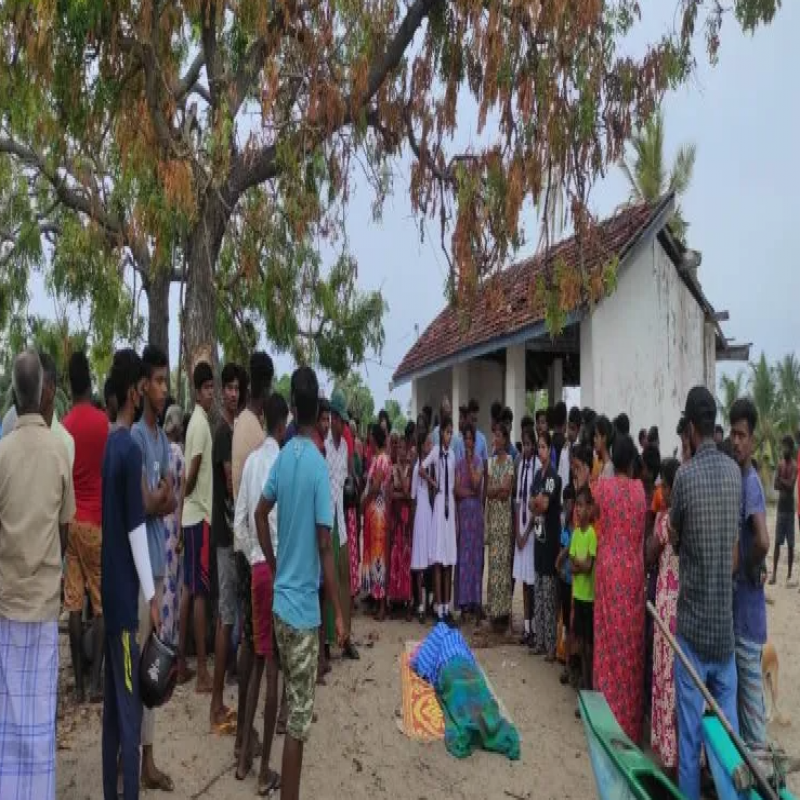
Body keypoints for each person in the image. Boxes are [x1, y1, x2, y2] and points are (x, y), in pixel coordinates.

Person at [254, 366, 344, 800]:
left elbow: (259, 513)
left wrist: (273, 562)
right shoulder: (316, 464)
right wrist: (340, 614)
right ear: (318, 410)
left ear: (293, 406)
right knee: (298, 723)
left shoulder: (284, 454)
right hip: (305, 614)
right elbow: (326, 544)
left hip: (279, 606)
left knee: (286, 702)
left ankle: (266, 775)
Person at [0, 350, 75, 800]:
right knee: (40, 720)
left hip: (7, 602)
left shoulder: (2, 452)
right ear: (45, 392)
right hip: (44, 605)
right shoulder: (58, 451)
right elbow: (64, 531)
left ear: (14, 392)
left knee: (7, 719)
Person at [669, 386, 741, 800]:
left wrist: (686, 548)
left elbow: (676, 538)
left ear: (692, 429)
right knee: (729, 741)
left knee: (690, 735)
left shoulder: (685, 477)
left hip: (693, 632)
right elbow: (732, 558)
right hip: (725, 634)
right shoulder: (734, 473)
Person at [100, 349, 159, 800]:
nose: (141, 395)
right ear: (127, 393)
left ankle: (110, 789)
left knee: (111, 711)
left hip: (111, 589)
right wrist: (153, 596)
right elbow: (138, 528)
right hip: (125, 597)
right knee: (128, 706)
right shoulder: (129, 448)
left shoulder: (110, 445)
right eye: (138, 389)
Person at [234, 392, 288, 793]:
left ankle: (241, 757)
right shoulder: (282, 462)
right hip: (276, 568)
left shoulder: (252, 462)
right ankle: (266, 766)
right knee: (274, 667)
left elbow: (240, 522)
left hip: (254, 567)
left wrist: (252, 553)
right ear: (283, 424)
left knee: (255, 657)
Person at [130, 344, 176, 792]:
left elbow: (170, 498)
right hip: (141, 567)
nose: (164, 388)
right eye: (158, 380)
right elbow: (148, 500)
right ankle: (134, 758)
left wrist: (160, 497)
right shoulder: (138, 440)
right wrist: (159, 497)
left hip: (159, 563)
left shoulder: (161, 439)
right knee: (140, 663)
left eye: (166, 380)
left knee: (153, 665)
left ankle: (148, 760)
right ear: (143, 385)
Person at [231, 352, 275, 758]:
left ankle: (246, 736)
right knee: (258, 652)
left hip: (250, 551)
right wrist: (256, 554)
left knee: (254, 646)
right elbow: (252, 504)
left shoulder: (246, 425)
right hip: (256, 556)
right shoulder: (254, 434)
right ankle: (246, 739)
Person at [592, 434, 646, 743]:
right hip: (632, 571)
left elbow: (596, 512)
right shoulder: (640, 491)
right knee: (630, 646)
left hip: (609, 568)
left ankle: (607, 718)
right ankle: (629, 723)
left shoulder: (605, 488)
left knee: (608, 642)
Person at [62, 350, 109, 703]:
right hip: (95, 521)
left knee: (74, 604)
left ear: (68, 383)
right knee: (102, 603)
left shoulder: (64, 427)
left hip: (71, 523)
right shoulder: (102, 424)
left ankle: (77, 685)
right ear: (89, 381)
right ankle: (96, 683)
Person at [730, 397, 770, 749]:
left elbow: (762, 540)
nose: (737, 441)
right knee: (743, 717)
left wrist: (745, 568)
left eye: (742, 435)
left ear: (753, 439)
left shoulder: (751, 484)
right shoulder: (740, 479)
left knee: (754, 728)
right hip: (741, 617)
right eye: (733, 434)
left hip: (748, 621)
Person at [178, 361, 215, 691]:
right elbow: (192, 472)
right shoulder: (200, 425)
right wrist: (183, 497)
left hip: (192, 516)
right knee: (200, 592)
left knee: (189, 590)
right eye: (207, 389)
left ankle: (180, 662)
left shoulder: (195, 423)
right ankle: (201, 669)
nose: (212, 394)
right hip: (199, 515)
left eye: (212, 388)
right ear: (197, 391)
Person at [208, 363, 240, 733]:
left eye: (236, 388)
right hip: (227, 537)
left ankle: (221, 699)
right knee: (225, 615)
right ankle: (215, 703)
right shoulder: (222, 434)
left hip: (235, 538)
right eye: (227, 388)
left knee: (229, 615)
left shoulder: (236, 430)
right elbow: (231, 485)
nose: (232, 393)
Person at [647, 458, 680, 776]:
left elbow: (650, 554)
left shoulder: (666, 519)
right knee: (679, 679)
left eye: (664, 486)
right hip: (683, 606)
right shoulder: (688, 516)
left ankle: (669, 755)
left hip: (666, 605)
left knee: (665, 678)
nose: (661, 491)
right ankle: (684, 753)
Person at [325, 390, 360, 657]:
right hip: (326, 521)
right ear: (333, 419)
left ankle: (346, 637)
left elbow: (348, 479)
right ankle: (327, 641)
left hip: (342, 521)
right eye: (340, 420)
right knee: (329, 582)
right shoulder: (322, 446)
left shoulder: (345, 446)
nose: (343, 426)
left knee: (345, 580)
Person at [420, 416, 458, 624]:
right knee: (438, 559)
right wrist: (433, 482)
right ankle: (438, 609)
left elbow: (454, 480)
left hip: (449, 504)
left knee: (449, 558)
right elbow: (421, 468)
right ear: (440, 433)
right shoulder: (435, 451)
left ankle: (446, 606)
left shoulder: (452, 454)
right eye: (446, 432)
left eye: (451, 433)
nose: (449, 436)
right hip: (439, 503)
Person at [530, 430, 562, 660]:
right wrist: (537, 502)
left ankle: (551, 645)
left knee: (549, 595)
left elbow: (543, 505)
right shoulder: (537, 476)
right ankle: (540, 641)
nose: (540, 450)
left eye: (543, 446)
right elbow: (532, 503)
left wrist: (538, 502)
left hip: (550, 541)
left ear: (549, 449)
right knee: (538, 592)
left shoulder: (552, 477)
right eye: (538, 446)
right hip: (538, 541)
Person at [362, 424, 393, 619]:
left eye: (370, 436)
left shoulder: (382, 460)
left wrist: (363, 502)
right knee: (375, 557)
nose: (368, 439)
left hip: (378, 511)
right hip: (375, 512)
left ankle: (382, 604)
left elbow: (375, 487)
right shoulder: (378, 458)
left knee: (379, 557)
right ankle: (376, 598)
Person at [455, 424, 484, 620]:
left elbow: (476, 483)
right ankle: (463, 602)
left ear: (474, 441)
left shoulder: (479, 461)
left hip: (476, 515)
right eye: (465, 438)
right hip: (464, 514)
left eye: (470, 439)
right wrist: (469, 493)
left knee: (475, 557)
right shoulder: (457, 464)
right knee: (463, 557)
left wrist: (471, 465)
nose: (467, 442)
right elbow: (457, 490)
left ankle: (475, 601)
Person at [161, 405, 185, 647]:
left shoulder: (158, 450)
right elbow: (184, 490)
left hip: (161, 523)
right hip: (176, 523)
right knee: (174, 583)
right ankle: (172, 641)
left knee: (164, 580)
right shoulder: (178, 453)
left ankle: (161, 637)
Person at [570, 486, 597, 694]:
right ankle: (582, 682)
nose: (578, 510)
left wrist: (580, 565)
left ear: (590, 508)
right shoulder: (576, 534)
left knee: (589, 646)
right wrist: (581, 564)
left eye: (582, 505)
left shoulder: (591, 535)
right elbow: (573, 565)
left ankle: (589, 686)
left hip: (589, 598)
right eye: (577, 506)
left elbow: (588, 567)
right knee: (580, 644)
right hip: (577, 596)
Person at [513, 426, 536, 644]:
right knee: (523, 582)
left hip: (531, 529)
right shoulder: (521, 466)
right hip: (521, 528)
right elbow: (518, 500)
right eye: (524, 443)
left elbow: (536, 506)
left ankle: (534, 626)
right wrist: (517, 532)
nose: (527, 448)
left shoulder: (537, 466)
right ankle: (527, 627)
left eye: (530, 444)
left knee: (532, 581)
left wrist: (526, 532)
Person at [389, 431, 413, 617]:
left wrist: (401, 493)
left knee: (405, 556)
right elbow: (391, 494)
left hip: (406, 517)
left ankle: (406, 600)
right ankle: (394, 599)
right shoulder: (392, 469)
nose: (402, 452)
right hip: (396, 517)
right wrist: (401, 494)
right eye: (400, 448)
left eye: (405, 448)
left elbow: (407, 493)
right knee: (395, 555)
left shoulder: (409, 469)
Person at [411, 426, 434, 623]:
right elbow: (413, 497)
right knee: (419, 563)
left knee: (430, 562)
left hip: (432, 517)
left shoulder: (432, 466)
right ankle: (419, 604)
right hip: (421, 516)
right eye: (428, 443)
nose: (431, 446)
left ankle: (429, 602)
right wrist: (412, 523)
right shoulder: (417, 467)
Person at [556, 484, 575, 685]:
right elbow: (562, 547)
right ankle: (568, 664)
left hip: (576, 582)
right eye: (567, 502)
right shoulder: (565, 525)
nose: (569, 505)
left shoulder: (578, 528)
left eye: (572, 502)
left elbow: (566, 550)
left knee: (574, 626)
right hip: (566, 579)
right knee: (568, 626)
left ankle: (573, 665)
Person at [772, 435, 797, 585]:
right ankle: (774, 574)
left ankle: (788, 574)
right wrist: (783, 481)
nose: (784, 449)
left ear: (791, 448)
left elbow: (791, 485)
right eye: (783, 446)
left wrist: (781, 480)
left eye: (786, 446)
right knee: (777, 542)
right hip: (781, 509)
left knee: (791, 544)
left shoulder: (794, 466)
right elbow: (776, 485)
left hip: (789, 510)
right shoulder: (780, 464)